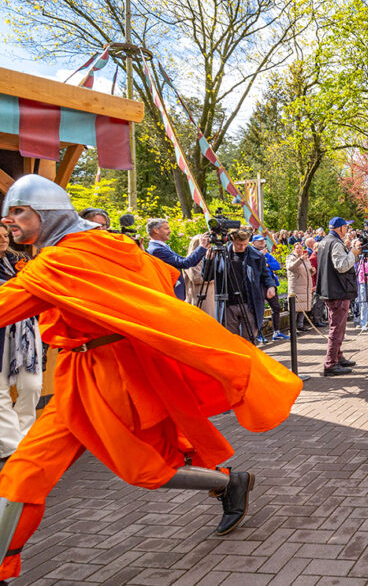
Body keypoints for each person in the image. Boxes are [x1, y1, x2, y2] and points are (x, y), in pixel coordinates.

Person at [0, 175, 302, 583]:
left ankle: (230, 483)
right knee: (27, 470)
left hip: (111, 378)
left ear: (46, 212)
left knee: (146, 468)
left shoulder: (58, 263)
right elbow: (164, 279)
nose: (9, 221)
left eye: (18, 211)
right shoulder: (114, 245)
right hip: (88, 375)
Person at [0, 224, 42, 460]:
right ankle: (10, 446)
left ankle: (23, 436)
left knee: (32, 387)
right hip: (1, 332)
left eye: (5, 236)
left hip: (24, 331)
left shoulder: (19, 260)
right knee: (0, 392)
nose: (3, 240)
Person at [206, 229, 275, 344]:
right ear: (232, 240)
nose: (243, 247)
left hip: (249, 304)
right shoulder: (221, 254)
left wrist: (270, 286)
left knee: (249, 341)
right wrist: (208, 260)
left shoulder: (256, 256)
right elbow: (207, 277)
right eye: (239, 244)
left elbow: (265, 275)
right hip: (228, 304)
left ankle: (249, 361)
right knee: (231, 341)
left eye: (245, 244)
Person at [316, 217, 359, 376]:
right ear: (340, 229)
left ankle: (337, 356)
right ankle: (331, 363)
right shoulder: (335, 243)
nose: (347, 230)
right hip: (338, 290)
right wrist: (353, 254)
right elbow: (341, 267)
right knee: (337, 327)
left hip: (330, 289)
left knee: (337, 326)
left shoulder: (324, 241)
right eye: (346, 227)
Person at [146, 217, 209, 301]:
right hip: (170, 295)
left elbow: (186, 261)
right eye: (166, 229)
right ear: (156, 230)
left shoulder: (161, 247)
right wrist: (201, 246)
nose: (170, 231)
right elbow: (184, 263)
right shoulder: (157, 250)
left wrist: (203, 249)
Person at [252, 235, 287, 341]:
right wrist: (261, 258)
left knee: (276, 307)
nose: (262, 242)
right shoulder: (252, 254)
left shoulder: (267, 253)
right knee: (259, 310)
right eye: (259, 241)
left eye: (263, 241)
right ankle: (258, 334)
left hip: (270, 285)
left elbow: (277, 266)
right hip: (258, 286)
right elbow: (253, 268)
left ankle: (276, 332)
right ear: (253, 243)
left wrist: (266, 263)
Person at [286, 242, 314, 332]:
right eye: (297, 248)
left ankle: (300, 325)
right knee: (295, 308)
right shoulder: (290, 257)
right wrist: (300, 260)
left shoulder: (305, 258)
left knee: (303, 306)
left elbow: (308, 271)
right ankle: (292, 329)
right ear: (294, 249)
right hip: (296, 286)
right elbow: (291, 268)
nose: (299, 250)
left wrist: (313, 270)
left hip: (305, 286)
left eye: (301, 248)